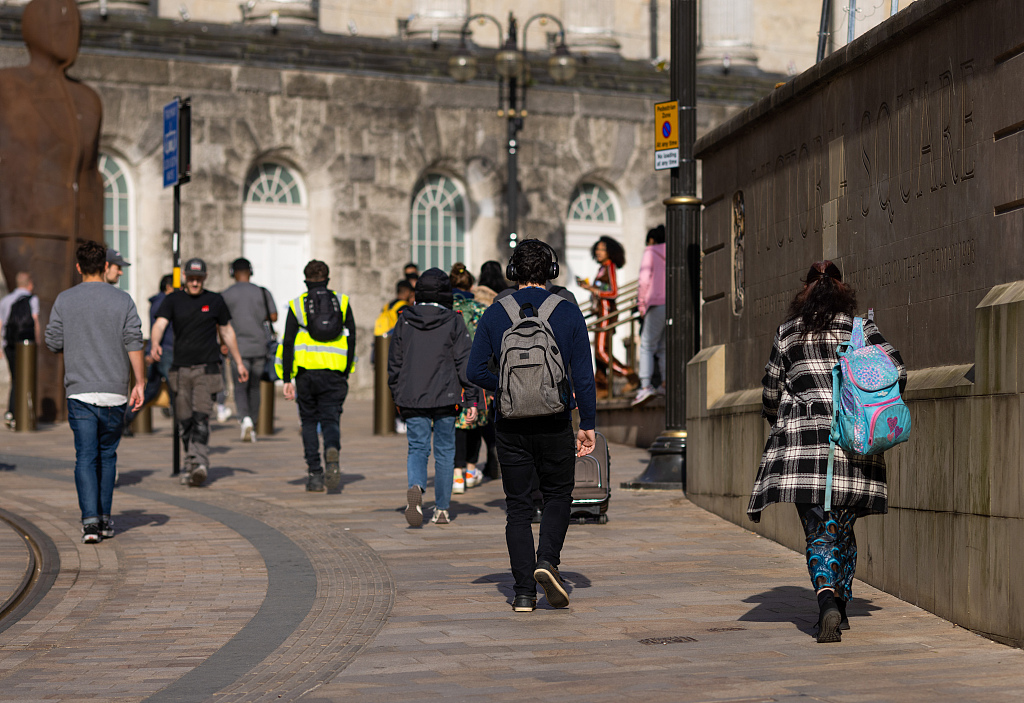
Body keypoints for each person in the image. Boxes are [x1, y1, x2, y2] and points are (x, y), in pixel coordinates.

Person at [748, 260, 906, 644]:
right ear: (842, 289)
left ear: (805, 291)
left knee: (818, 532)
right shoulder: (860, 329)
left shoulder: (788, 333)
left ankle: (826, 604)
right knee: (842, 529)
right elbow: (898, 370)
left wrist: (782, 419)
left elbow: (771, 391)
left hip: (805, 451)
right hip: (855, 445)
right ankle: (843, 602)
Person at [468, 238, 597, 612]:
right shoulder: (569, 312)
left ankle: (523, 593)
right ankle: (548, 562)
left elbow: (474, 370)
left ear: (512, 273)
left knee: (518, 508)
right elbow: (584, 376)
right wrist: (586, 422)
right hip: (556, 420)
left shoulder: (494, 314)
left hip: (509, 425)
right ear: (551, 271)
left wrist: (507, 386)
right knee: (558, 494)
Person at [44, 241, 145, 543]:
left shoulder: (65, 300)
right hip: (115, 392)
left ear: (78, 267)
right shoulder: (123, 300)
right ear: (104, 266)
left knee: (85, 457)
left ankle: (89, 523)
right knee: (108, 455)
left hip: (80, 392)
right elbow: (134, 341)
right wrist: (139, 382)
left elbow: (52, 341)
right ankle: (104, 519)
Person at [389, 268, 479, 526]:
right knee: (445, 452)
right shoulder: (453, 320)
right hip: (445, 395)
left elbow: (394, 362)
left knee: (417, 447)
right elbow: (465, 361)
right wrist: (471, 398)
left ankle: (416, 486)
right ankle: (441, 509)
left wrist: (397, 393)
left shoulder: (404, 319)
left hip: (412, 395)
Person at [150, 258, 249, 487]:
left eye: (199, 278)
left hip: (208, 369)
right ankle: (191, 463)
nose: (195, 282)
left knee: (201, 417)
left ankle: (200, 463)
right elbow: (160, 324)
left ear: (205, 278)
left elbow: (227, 331)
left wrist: (239, 362)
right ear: (185, 276)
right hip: (181, 370)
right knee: (184, 420)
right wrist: (155, 343)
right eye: (191, 278)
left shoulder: (215, 300)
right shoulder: (173, 299)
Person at [277, 260, 356, 492]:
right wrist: (346, 369)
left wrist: (287, 379)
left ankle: (314, 474)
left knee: (309, 422)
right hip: (334, 373)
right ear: (327, 279)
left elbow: (288, 343)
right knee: (331, 419)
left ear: (305, 280)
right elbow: (352, 338)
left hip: (306, 375)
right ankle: (332, 450)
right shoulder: (342, 302)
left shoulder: (297, 305)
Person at [221, 257, 278, 442]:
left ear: (233, 273)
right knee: (255, 387)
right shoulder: (262, 292)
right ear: (250, 272)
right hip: (260, 346)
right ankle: (252, 421)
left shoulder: (226, 294)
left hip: (237, 349)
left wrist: (222, 342)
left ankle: (244, 419)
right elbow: (274, 316)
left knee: (240, 386)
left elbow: (220, 322)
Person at [581, 235, 637, 398]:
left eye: (602, 249)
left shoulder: (609, 266)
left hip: (606, 314)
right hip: (600, 313)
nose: (599, 252)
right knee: (599, 351)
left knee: (600, 351)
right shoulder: (601, 268)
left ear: (610, 252)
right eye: (597, 249)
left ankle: (629, 375)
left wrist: (593, 290)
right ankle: (602, 386)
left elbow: (613, 292)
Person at [450, 263, 488, 491]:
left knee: (456, 424)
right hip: (476, 371)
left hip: (450, 373)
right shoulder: (479, 309)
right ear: (471, 285)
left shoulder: (446, 310)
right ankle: (471, 470)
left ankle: (456, 475)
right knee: (475, 422)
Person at [123, 274, 175, 434]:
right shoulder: (165, 303)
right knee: (176, 388)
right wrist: (154, 347)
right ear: (168, 287)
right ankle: (181, 425)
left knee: (150, 390)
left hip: (155, 350)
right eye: (177, 287)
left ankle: (124, 421)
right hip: (164, 350)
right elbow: (158, 328)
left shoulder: (156, 302)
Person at [0, 271, 41, 429]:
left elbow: (1, 324)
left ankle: (11, 412)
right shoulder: (33, 299)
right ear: (29, 283)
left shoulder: (6, 300)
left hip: (9, 344)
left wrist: (1, 346)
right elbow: (35, 321)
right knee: (25, 378)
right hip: (26, 344)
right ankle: (20, 413)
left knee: (15, 378)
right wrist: (36, 342)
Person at [633, 225, 667, 406]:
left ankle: (645, 385)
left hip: (655, 303)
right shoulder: (673, 250)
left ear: (652, 240)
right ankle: (665, 382)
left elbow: (644, 280)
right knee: (663, 347)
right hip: (671, 303)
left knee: (646, 345)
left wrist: (641, 305)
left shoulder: (650, 251)